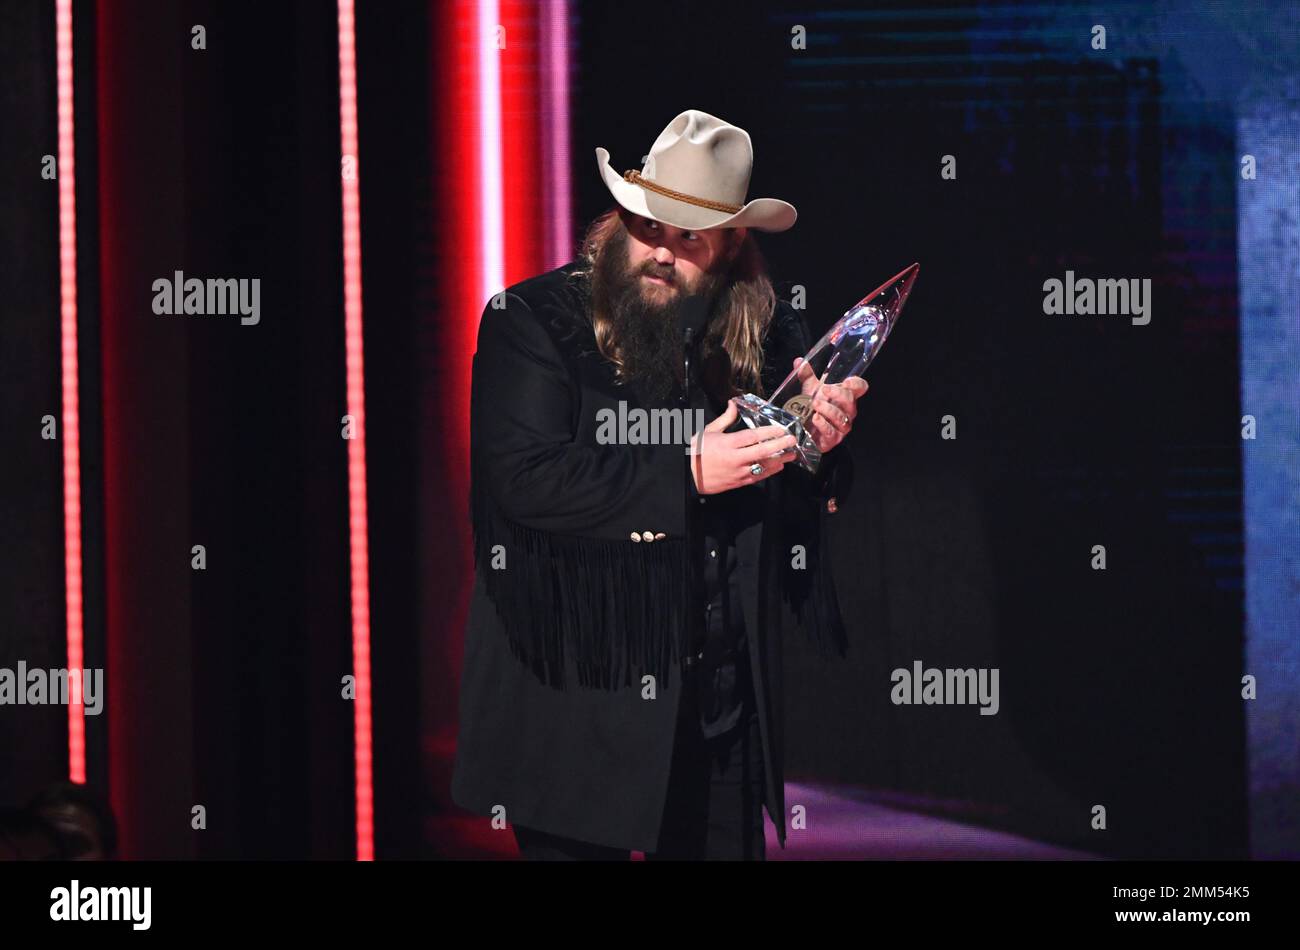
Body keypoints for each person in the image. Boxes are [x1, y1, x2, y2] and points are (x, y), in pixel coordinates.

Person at [451, 109, 865, 860]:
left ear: (732, 245)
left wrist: (817, 446)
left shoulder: (766, 332)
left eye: (690, 238)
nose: (662, 252)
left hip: (716, 708)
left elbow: (788, 486)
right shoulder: (533, 319)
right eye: (647, 227)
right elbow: (524, 478)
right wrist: (685, 475)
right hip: (580, 705)